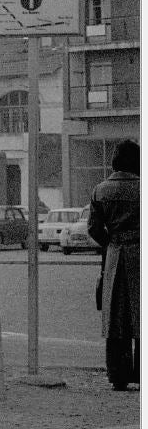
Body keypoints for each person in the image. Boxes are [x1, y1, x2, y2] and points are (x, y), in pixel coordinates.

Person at [88, 140, 139, 392]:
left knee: (116, 318)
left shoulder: (100, 190)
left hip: (114, 256)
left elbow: (93, 229)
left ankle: (118, 375)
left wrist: (112, 243)